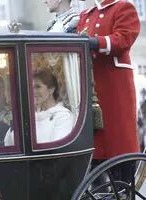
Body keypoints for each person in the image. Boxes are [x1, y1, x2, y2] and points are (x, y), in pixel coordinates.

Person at [77, 0, 140, 183]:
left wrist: (96, 42)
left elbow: (124, 38)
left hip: (112, 83)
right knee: (96, 138)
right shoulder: (87, 15)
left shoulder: (123, 7)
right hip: (91, 82)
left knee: (117, 137)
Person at [33, 68, 74, 143]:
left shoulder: (63, 116)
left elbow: (57, 147)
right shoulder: (30, 116)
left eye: (37, 87)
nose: (33, 91)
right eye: (31, 87)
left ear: (51, 89)